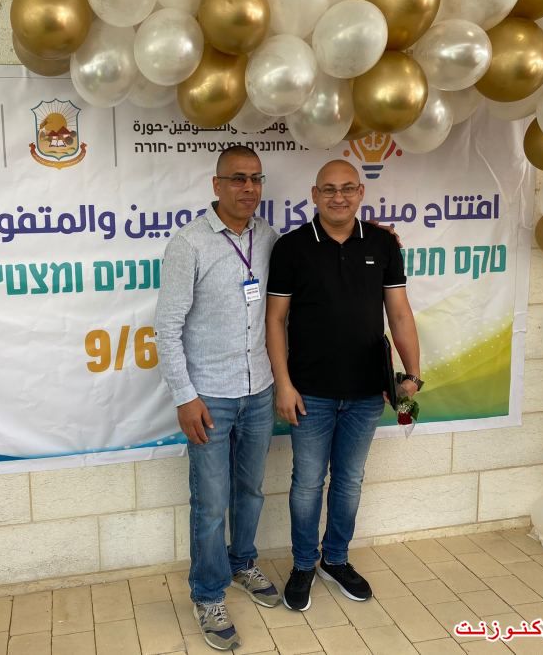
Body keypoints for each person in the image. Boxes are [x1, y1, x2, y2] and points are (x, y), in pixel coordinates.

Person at [265, 159, 422, 612]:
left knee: (349, 481)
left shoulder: (382, 243)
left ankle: (335, 559)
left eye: (348, 188)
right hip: (309, 393)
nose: (339, 197)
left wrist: (412, 375)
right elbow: (275, 320)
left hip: (366, 392)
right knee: (307, 484)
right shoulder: (292, 247)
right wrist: (283, 384)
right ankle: (302, 565)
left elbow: (399, 313)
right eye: (329, 189)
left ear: (360, 193)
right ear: (314, 195)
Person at [155, 145, 281, 651]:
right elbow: (167, 327)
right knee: (209, 503)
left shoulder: (269, 238)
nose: (248, 188)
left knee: (250, 490)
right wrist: (185, 397)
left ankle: (242, 563)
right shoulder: (189, 243)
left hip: (260, 391)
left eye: (255, 179)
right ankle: (208, 594)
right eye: (237, 179)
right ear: (216, 185)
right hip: (209, 396)